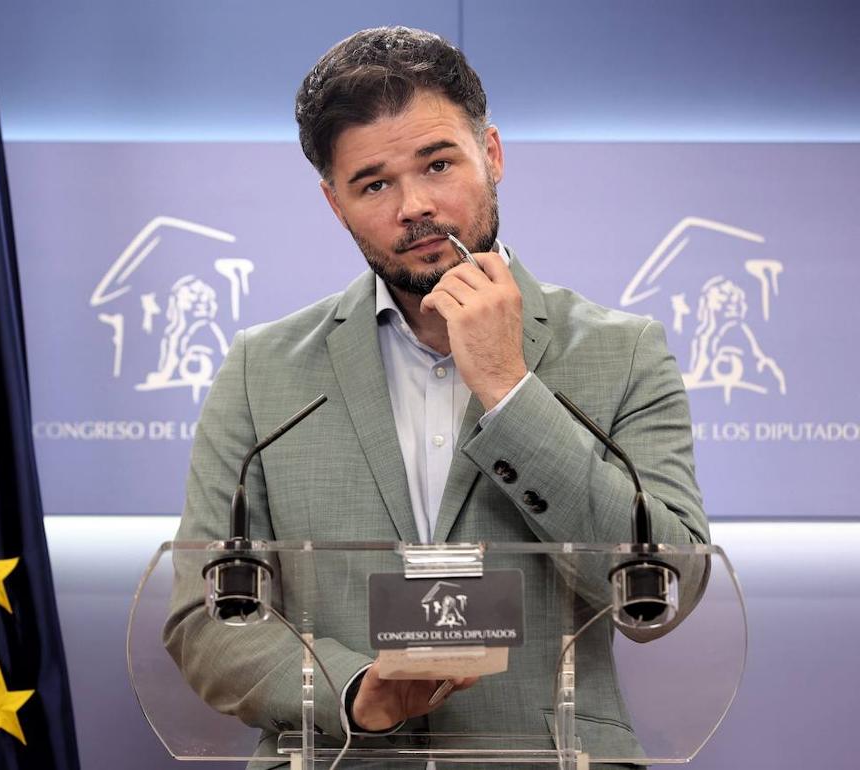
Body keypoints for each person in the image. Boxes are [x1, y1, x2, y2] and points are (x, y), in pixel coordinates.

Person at [166, 26, 708, 767]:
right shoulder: (263, 370)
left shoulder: (623, 351)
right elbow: (205, 618)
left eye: (439, 163)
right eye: (374, 184)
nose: (415, 205)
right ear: (334, 203)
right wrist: (353, 692)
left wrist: (509, 389)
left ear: (492, 154)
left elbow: (665, 588)